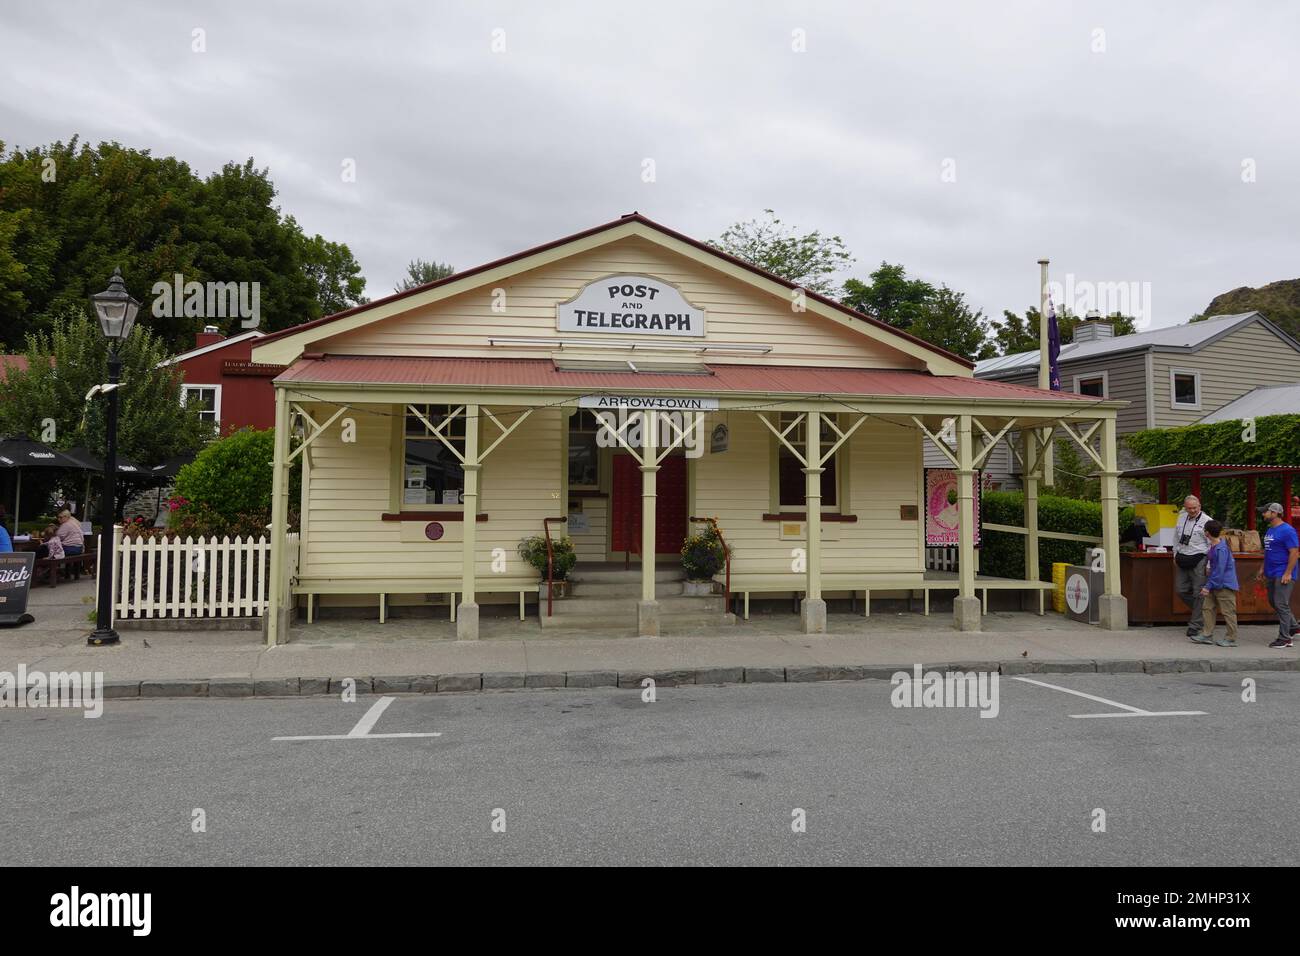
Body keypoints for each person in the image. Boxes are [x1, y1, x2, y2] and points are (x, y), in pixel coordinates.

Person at [1256, 502, 1298, 649]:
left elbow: (1294, 552)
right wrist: (1262, 568)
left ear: (1274, 513)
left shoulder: (1287, 530)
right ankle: (1293, 626)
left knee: (1281, 604)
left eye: (1265, 512)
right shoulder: (1270, 530)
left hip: (1282, 573)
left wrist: (1288, 573)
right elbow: (1268, 551)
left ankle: (1285, 638)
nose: (1263, 514)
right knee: (1274, 601)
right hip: (1271, 572)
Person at [1172, 495, 1212, 638]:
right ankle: (1204, 611)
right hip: (1183, 557)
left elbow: (1211, 544)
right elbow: (1176, 537)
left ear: (1199, 506)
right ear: (1185, 507)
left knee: (1198, 593)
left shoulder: (1207, 521)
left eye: (1195, 508)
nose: (1192, 511)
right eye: (1189, 508)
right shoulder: (1181, 517)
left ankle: (1195, 625)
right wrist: (1175, 554)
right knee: (1181, 590)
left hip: (1199, 557)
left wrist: (1209, 563)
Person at [1195, 520, 1238, 647]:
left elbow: (1220, 570)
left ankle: (1231, 638)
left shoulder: (1221, 549)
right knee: (1207, 608)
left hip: (1224, 584)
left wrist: (1208, 586)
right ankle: (1206, 634)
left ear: (1207, 533)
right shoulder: (1216, 546)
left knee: (1228, 611)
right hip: (1215, 582)